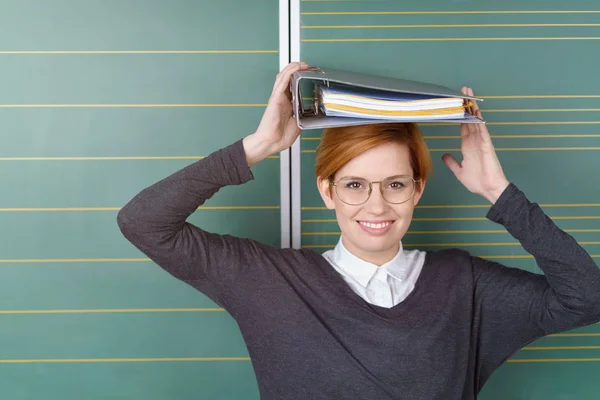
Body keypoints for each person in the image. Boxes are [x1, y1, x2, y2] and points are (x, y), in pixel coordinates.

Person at [117, 62, 600, 400]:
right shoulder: (266, 282)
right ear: (327, 191)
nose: (376, 205)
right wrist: (259, 145)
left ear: (417, 189)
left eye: (394, 184)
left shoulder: (466, 286)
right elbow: (145, 222)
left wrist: (499, 191)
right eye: (354, 184)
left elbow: (586, 298)